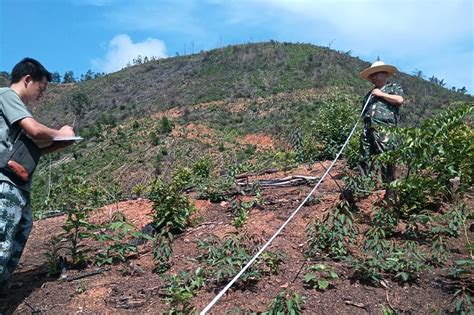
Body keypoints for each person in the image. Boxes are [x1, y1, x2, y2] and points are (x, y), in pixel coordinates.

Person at [0, 58, 75, 288]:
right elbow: (34, 130)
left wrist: (64, 142)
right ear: (27, 80)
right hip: (5, 183)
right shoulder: (7, 95)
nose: (41, 95)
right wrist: (61, 132)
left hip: (17, 184)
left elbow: (35, 149)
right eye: (40, 89)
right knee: (3, 241)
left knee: (19, 232)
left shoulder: (15, 114)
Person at [358, 60, 404, 187]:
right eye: (372, 76)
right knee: (365, 156)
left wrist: (381, 94)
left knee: (386, 155)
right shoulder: (369, 95)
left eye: (376, 74)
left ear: (385, 74)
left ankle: (389, 186)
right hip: (368, 128)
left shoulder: (393, 88)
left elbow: (399, 100)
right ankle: (365, 185)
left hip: (385, 128)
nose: (374, 78)